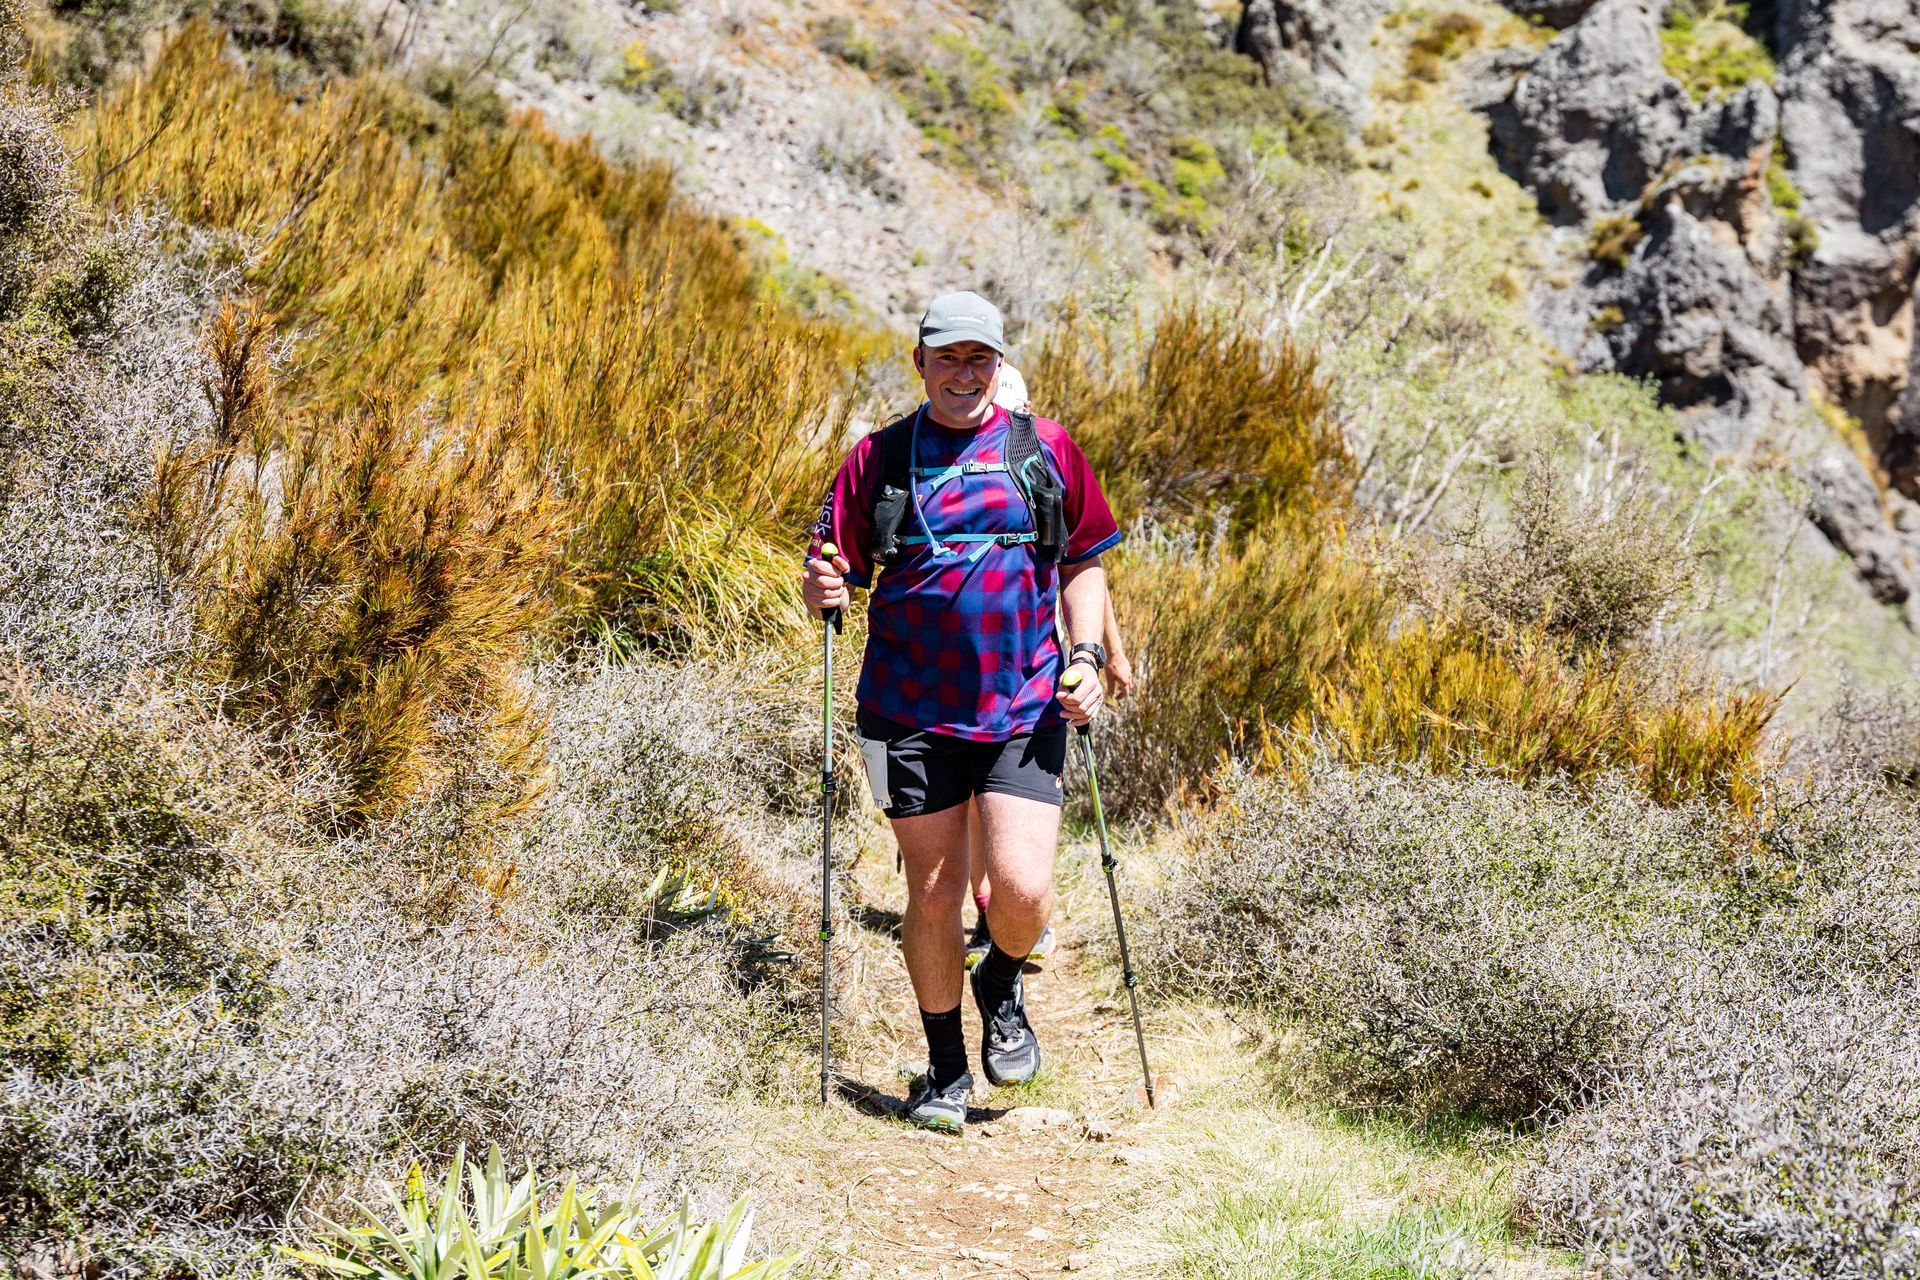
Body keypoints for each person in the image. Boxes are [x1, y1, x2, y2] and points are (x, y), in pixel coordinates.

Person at [803, 291, 1121, 1132]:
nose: (964, 373)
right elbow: (832, 571)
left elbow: (1085, 558)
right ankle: (946, 1068)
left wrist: (1086, 656)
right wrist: (822, 587)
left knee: (1021, 891)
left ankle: (1001, 980)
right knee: (935, 892)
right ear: (920, 363)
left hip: (1023, 704)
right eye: (947, 357)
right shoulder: (876, 460)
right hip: (906, 710)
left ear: (1000, 362)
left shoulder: (1043, 449)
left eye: (979, 358)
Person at [962, 365, 1135, 971]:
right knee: (973, 810)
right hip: (966, 685)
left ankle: (1008, 912)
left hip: (1040, 674)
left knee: (1008, 809)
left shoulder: (1045, 469)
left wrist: (1108, 653)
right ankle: (989, 909)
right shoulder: (969, 474)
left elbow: (1084, 570)